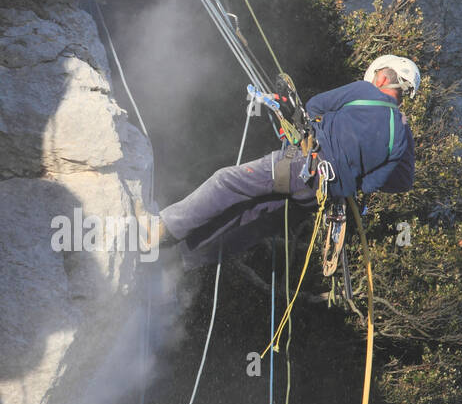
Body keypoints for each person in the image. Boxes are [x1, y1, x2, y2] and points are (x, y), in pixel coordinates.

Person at [138, 55, 420, 267]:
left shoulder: (366, 91)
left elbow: (315, 105)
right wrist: (357, 178)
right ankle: (182, 263)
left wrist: (303, 140)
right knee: (252, 221)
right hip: (319, 197)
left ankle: (161, 230)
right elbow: (400, 180)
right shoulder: (402, 134)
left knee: (229, 183)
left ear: (382, 78)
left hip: (300, 164)